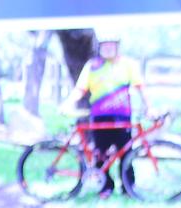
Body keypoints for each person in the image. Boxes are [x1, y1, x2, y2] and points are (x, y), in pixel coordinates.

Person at [64, 29, 155, 197]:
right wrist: (68, 104)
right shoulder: (92, 66)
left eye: (111, 45)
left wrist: (149, 107)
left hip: (122, 117)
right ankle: (105, 187)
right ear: (99, 47)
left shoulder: (128, 65)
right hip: (100, 118)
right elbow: (80, 89)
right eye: (104, 45)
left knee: (126, 153)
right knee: (101, 154)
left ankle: (128, 188)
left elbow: (140, 87)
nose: (107, 48)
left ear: (117, 46)